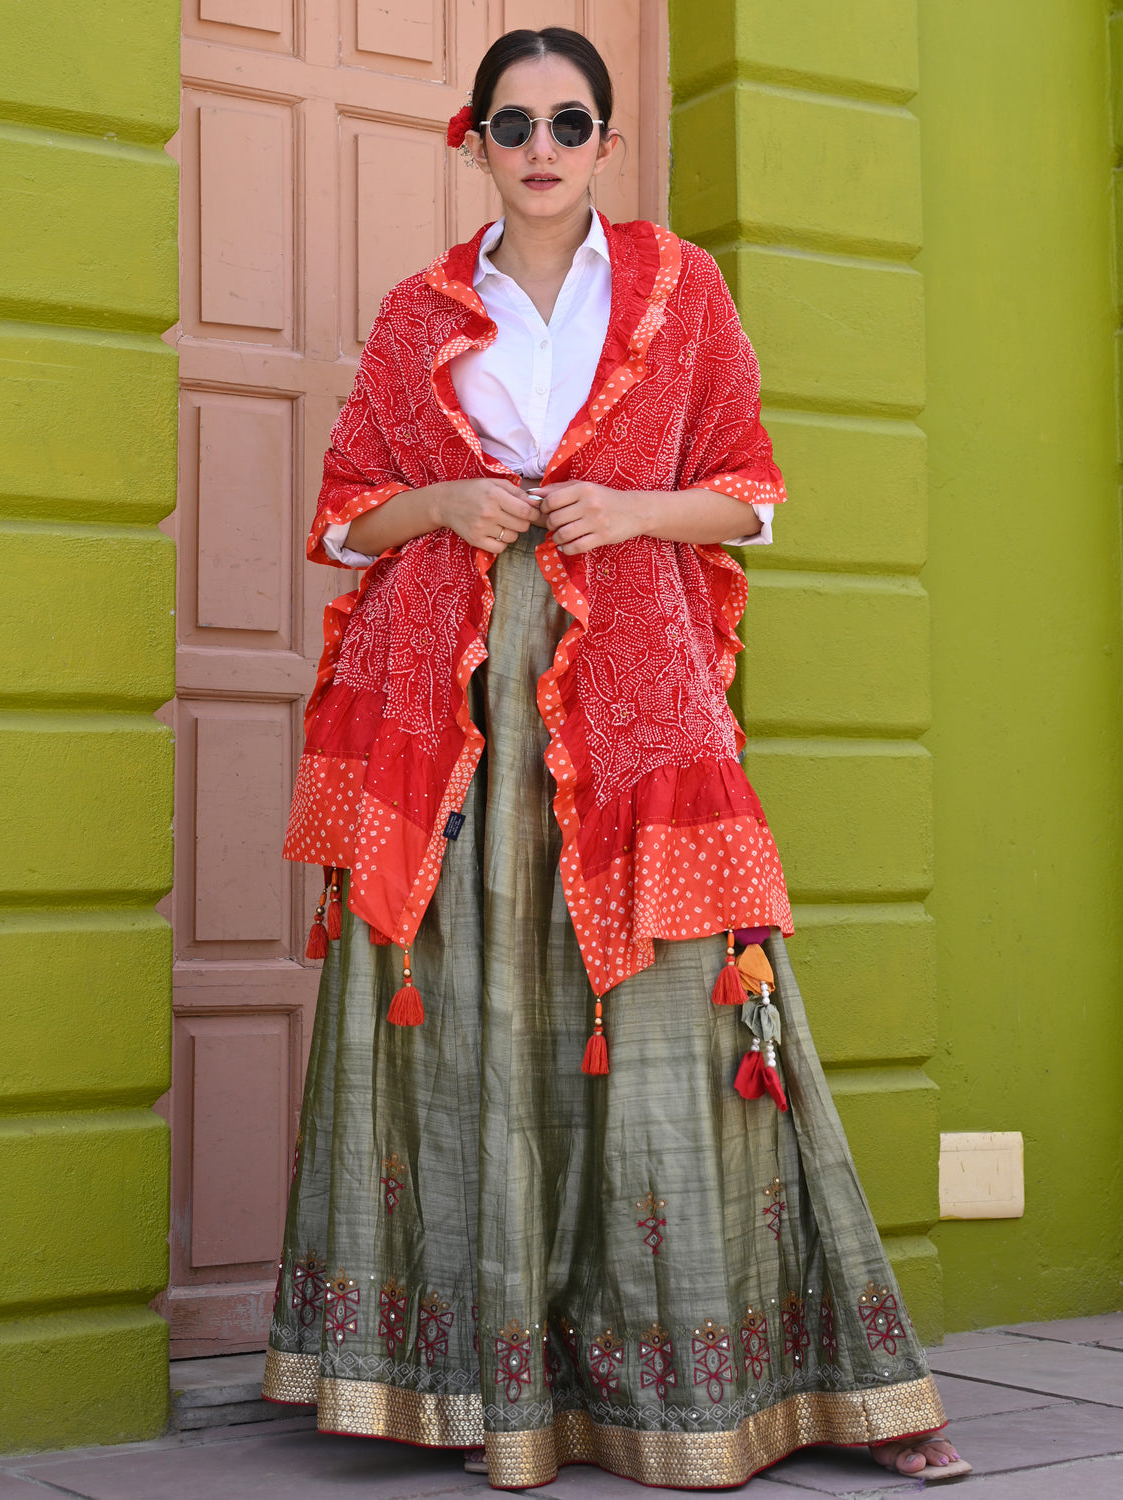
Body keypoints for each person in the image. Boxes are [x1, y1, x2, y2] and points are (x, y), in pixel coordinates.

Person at [262, 26, 969, 1490]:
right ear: (476, 139)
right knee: (458, 1018)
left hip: (632, 699)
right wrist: (447, 497)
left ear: (603, 140)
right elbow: (345, 519)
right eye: (512, 121)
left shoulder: (678, 291)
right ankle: (460, 1393)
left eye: (568, 120)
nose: (540, 145)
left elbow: (752, 497)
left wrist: (633, 514)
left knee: (696, 1017)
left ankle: (769, 1388)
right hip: (450, 710)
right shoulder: (416, 316)